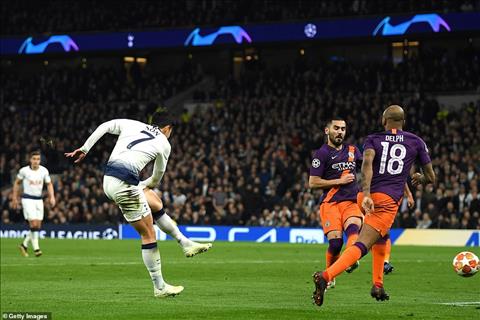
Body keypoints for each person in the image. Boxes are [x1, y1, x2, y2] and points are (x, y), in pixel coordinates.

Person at [65, 113, 212, 298]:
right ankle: (159, 287)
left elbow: (105, 125)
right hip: (124, 186)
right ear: (167, 128)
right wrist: (145, 183)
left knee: (155, 202)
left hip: (110, 179)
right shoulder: (164, 144)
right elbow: (157, 177)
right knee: (148, 233)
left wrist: (85, 148)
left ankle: (185, 243)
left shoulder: (131, 124)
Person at [312, 105, 435, 306]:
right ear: (403, 122)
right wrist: (420, 179)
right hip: (386, 203)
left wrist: (367, 194)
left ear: (383, 121)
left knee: (382, 236)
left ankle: (378, 284)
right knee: (363, 244)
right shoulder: (416, 142)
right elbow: (431, 177)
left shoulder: (373, 139)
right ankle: (325, 276)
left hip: (364, 196)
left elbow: (367, 165)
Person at [309, 118, 363, 289]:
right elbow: (313, 182)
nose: (340, 132)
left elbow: (368, 167)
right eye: (336, 128)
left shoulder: (353, 150)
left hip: (352, 201)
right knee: (335, 243)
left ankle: (350, 259)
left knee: (354, 228)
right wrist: (339, 181)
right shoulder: (322, 154)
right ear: (327, 131)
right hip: (330, 203)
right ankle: (330, 275)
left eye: (343, 129)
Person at [13, 151, 56, 257]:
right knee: (33, 224)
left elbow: (49, 184)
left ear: (40, 160)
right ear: (30, 160)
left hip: (39, 199)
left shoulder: (44, 171)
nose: (36, 161)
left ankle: (24, 244)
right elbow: (17, 183)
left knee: (37, 225)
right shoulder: (24, 171)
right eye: (34, 159)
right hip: (27, 199)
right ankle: (37, 249)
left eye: (38, 159)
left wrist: (52, 196)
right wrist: (14, 198)